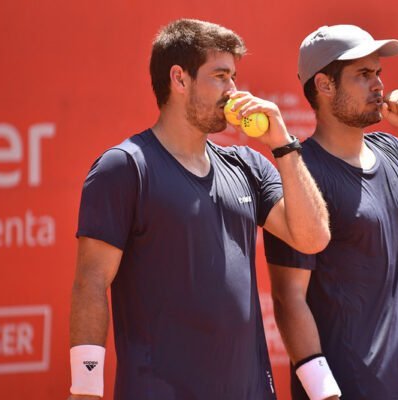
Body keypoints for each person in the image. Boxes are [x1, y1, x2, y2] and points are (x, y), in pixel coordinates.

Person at [68, 19, 330, 400]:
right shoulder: (125, 167)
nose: (233, 91)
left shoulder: (247, 165)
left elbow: (312, 237)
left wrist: (283, 143)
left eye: (234, 77)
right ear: (180, 79)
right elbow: (90, 282)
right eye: (220, 76)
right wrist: (85, 390)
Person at [264, 24, 398, 400]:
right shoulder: (300, 177)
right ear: (324, 85)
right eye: (363, 75)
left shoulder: (393, 150)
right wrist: (324, 394)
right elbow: (289, 299)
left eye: (378, 73)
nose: (379, 85)